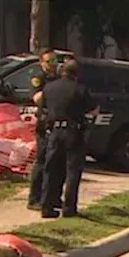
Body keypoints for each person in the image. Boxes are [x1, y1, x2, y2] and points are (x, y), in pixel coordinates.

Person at [38, 59, 98, 218]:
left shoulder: (49, 88)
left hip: (55, 132)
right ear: (76, 74)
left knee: (50, 170)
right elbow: (94, 110)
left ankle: (46, 207)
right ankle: (69, 208)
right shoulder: (79, 89)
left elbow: (42, 109)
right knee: (72, 171)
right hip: (73, 133)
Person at [25, 48, 58, 211]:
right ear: (42, 63)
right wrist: (52, 93)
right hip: (44, 123)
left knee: (55, 163)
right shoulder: (39, 78)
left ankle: (52, 196)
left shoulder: (59, 77)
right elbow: (36, 98)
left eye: (55, 60)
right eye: (49, 61)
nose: (53, 64)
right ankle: (34, 198)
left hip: (56, 122)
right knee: (41, 161)